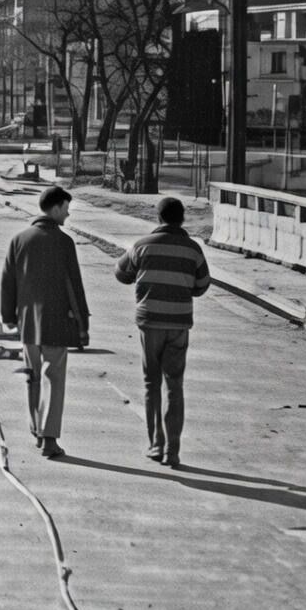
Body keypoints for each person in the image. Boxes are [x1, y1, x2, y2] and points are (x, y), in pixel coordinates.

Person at [115, 197, 210, 469]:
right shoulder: (193, 249)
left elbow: (121, 273)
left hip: (150, 322)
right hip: (179, 324)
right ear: (182, 219)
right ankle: (173, 451)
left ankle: (155, 444)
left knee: (151, 383)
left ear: (158, 218)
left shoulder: (142, 245)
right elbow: (202, 285)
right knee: (175, 386)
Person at [0, 186, 90, 459]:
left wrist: (8, 317)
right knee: (54, 379)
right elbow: (75, 285)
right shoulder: (63, 243)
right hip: (56, 322)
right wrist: (83, 323)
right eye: (66, 207)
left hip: (28, 323)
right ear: (55, 209)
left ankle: (37, 430)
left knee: (32, 378)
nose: (68, 212)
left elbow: (8, 282)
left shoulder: (19, 240)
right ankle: (49, 438)